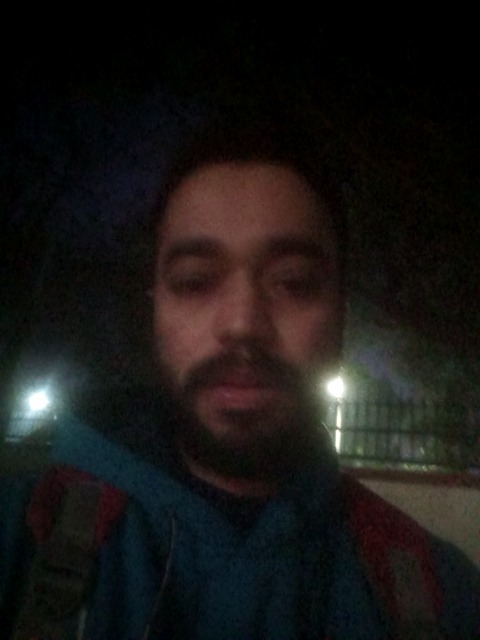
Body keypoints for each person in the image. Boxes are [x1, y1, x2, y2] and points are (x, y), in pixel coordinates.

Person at [1, 116, 479, 639]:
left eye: (293, 283)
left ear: (340, 309)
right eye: (195, 281)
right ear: (154, 307)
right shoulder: (19, 536)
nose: (242, 323)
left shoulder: (444, 597)